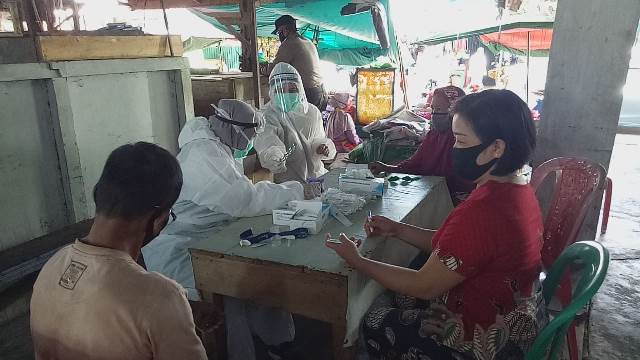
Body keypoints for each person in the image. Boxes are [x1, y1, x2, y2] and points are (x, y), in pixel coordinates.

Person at [327, 90, 546, 359]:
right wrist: (398, 229)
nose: (454, 148)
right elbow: (456, 250)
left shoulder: (484, 211)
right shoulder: (517, 190)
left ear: (496, 148)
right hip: (512, 316)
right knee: (397, 289)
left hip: (483, 341)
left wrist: (358, 260)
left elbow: (424, 285)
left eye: (461, 140)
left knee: (372, 318)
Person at [142, 99, 305, 360]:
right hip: (184, 247)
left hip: (213, 234)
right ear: (234, 129)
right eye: (249, 135)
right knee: (230, 295)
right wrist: (296, 190)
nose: (251, 142)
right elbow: (243, 199)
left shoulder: (218, 144)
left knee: (263, 276)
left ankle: (279, 343)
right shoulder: (202, 154)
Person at [30, 142, 207, 360]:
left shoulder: (53, 267)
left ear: (99, 195)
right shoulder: (161, 297)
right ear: (159, 219)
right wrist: (171, 312)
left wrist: (176, 312)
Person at [369, 85, 474, 203]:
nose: (434, 114)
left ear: (454, 112)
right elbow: (415, 163)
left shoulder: (464, 138)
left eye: (439, 109)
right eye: (433, 109)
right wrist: (386, 167)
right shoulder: (434, 135)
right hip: (434, 194)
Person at [255, 62, 336, 184]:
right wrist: (274, 157)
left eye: (292, 89)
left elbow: (318, 139)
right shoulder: (266, 116)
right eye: (281, 89)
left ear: (300, 89)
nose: (287, 94)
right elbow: (268, 144)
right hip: (288, 184)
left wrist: (321, 147)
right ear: (272, 91)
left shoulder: (311, 112)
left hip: (316, 178)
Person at [269, 14, 327, 111]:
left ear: (285, 29)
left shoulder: (289, 43)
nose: (279, 35)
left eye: (279, 32)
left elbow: (274, 69)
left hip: (309, 93)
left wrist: (264, 68)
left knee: (302, 124)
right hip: (321, 91)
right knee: (316, 124)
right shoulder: (307, 41)